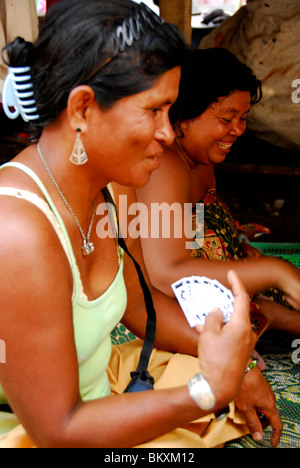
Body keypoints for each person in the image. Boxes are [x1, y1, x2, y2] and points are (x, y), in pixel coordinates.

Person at [0, 0, 262, 449]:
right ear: (82, 108)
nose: (168, 131)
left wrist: (240, 369)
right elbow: (57, 429)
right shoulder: (17, 233)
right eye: (155, 110)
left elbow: (143, 309)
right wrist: (207, 390)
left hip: (96, 399)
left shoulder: (102, 191)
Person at [136, 48, 300, 323]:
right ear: (184, 116)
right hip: (168, 316)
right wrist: (272, 271)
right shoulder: (165, 165)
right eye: (226, 119)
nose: (238, 129)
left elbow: (194, 234)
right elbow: (165, 276)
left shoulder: (200, 160)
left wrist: (239, 255)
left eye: (243, 118)